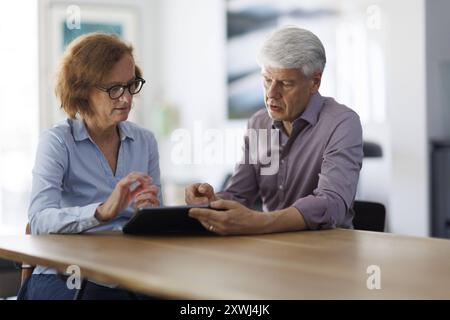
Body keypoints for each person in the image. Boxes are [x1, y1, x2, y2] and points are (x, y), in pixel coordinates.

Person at [18, 33, 161, 299]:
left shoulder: (145, 141)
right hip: (65, 273)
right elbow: (38, 221)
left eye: (131, 85)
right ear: (82, 91)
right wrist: (102, 211)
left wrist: (149, 215)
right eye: (114, 89)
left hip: (128, 270)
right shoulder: (57, 141)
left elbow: (154, 220)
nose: (127, 98)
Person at [186, 26, 363, 235]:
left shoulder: (342, 123)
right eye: (267, 80)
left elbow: (331, 203)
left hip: (328, 249)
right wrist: (212, 201)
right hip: (271, 247)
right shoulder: (258, 123)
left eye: (285, 83)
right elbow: (240, 194)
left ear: (315, 82)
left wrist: (258, 221)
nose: (271, 94)